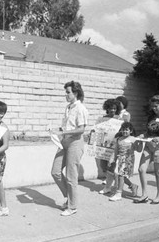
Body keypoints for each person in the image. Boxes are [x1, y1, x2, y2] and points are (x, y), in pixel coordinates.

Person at [50, 81, 89, 216]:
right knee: (55, 171)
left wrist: (63, 133)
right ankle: (70, 198)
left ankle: (72, 206)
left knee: (71, 175)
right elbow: (65, 126)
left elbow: (81, 129)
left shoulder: (81, 108)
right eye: (66, 92)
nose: (66, 95)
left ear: (76, 93)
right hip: (64, 143)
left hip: (75, 143)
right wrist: (57, 131)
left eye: (68, 92)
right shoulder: (68, 108)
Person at [133, 95, 159, 204]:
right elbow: (149, 132)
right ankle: (144, 195)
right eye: (152, 106)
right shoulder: (151, 117)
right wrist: (142, 135)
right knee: (141, 169)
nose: (154, 108)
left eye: (156, 106)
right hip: (148, 145)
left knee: (158, 172)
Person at [105, 122, 138, 201]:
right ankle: (133, 186)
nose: (124, 132)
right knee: (119, 175)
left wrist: (138, 143)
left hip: (128, 160)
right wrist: (112, 159)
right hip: (120, 159)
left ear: (131, 131)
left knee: (120, 176)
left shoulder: (133, 139)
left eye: (126, 130)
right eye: (123, 130)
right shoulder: (119, 139)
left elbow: (139, 150)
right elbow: (116, 151)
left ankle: (118, 194)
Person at [95, 99, 121, 188]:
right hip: (103, 146)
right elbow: (98, 130)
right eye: (111, 108)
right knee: (103, 165)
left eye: (114, 108)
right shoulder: (103, 119)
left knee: (112, 166)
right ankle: (110, 180)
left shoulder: (119, 119)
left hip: (114, 146)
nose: (112, 110)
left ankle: (124, 185)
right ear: (107, 108)